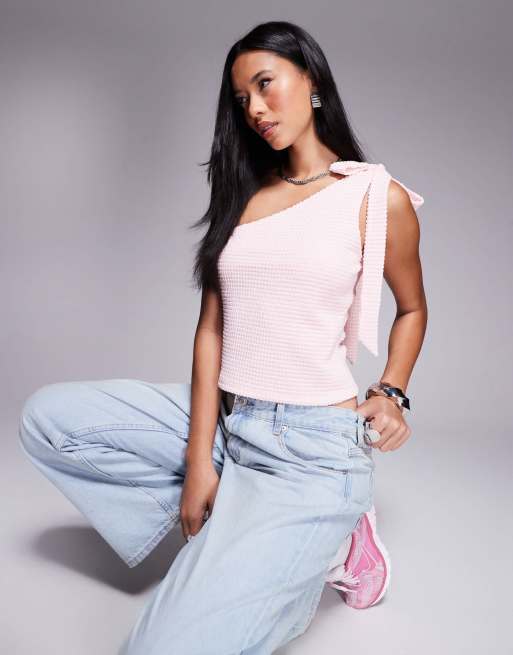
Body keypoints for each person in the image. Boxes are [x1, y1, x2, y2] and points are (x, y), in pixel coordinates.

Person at [18, 20, 427, 655]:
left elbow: (412, 308)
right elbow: (210, 331)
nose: (255, 109)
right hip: (232, 425)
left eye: (265, 84)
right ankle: (241, 526)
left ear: (311, 80)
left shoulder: (376, 196)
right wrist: (198, 465)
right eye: (242, 99)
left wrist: (392, 392)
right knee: (49, 418)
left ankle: (334, 543)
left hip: (312, 454)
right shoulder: (244, 195)